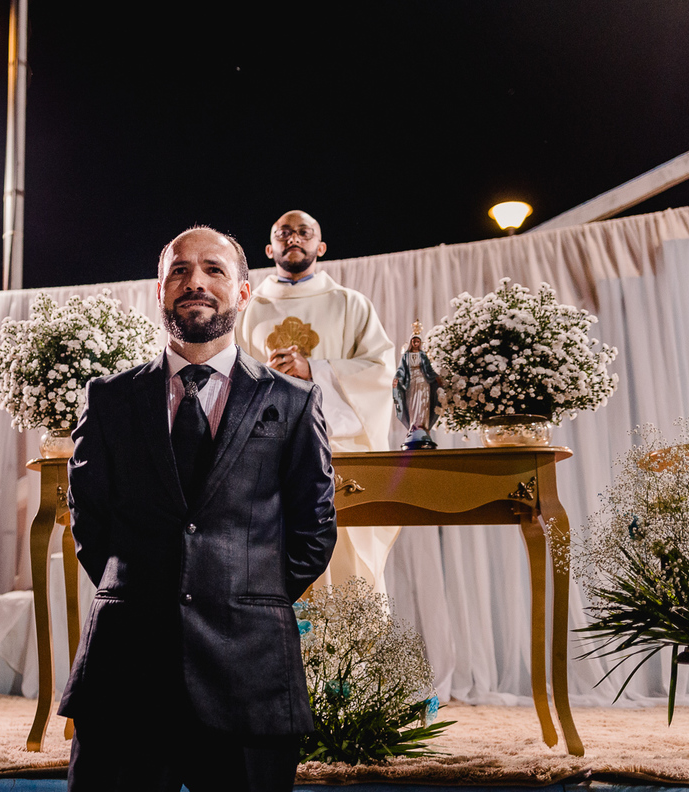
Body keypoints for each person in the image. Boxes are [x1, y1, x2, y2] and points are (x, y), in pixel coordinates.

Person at [59, 226, 337, 792]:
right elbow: (90, 522)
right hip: (127, 669)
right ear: (159, 290)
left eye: (214, 269)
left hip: (250, 672)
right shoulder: (108, 397)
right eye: (180, 271)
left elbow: (314, 530)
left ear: (244, 291)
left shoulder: (293, 400)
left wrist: (246, 597)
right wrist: (143, 591)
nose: (196, 282)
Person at [235, 209, 397, 594]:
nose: (293, 238)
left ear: (320, 246)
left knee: (346, 571)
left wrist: (315, 370)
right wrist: (266, 379)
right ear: (269, 248)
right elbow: (230, 376)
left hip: (336, 455)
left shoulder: (351, 304)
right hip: (269, 459)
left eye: (303, 232)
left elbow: (380, 371)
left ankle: (347, 639)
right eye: (283, 233)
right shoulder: (247, 309)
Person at [393, 327, 440, 449]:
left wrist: (436, 378)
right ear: (411, 342)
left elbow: (429, 370)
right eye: (414, 341)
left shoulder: (423, 355)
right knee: (412, 404)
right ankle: (413, 427)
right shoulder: (406, 356)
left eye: (418, 341)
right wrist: (397, 378)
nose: (415, 343)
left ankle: (423, 427)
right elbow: (401, 370)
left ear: (420, 343)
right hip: (411, 383)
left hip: (423, 383)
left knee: (423, 405)